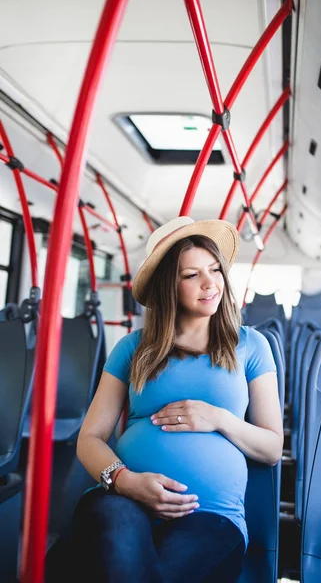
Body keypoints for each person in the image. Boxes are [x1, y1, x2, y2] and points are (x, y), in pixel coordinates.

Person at [72, 216, 283, 583]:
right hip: (124, 499)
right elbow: (89, 438)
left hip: (211, 515)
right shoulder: (132, 348)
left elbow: (271, 447)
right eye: (191, 275)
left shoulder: (251, 345)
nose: (210, 283)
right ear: (169, 286)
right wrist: (124, 481)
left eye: (215, 269)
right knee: (122, 557)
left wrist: (219, 418)